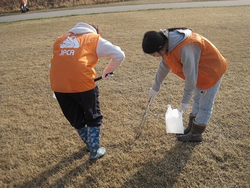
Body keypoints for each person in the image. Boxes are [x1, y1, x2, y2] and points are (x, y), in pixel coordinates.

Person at [50, 22, 125, 160]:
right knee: (93, 116)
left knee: (75, 117)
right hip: (83, 84)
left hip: (58, 84)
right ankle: (95, 150)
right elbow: (119, 54)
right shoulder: (93, 38)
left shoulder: (60, 39)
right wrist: (108, 71)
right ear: (95, 31)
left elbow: (56, 62)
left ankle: (90, 144)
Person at [142, 27, 227, 142]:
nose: (154, 57)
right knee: (197, 99)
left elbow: (191, 76)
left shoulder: (185, 48)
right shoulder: (167, 45)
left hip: (211, 72)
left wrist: (185, 100)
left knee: (205, 105)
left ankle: (196, 135)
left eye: (153, 54)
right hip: (200, 73)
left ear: (160, 48)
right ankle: (192, 128)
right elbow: (164, 66)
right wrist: (155, 87)